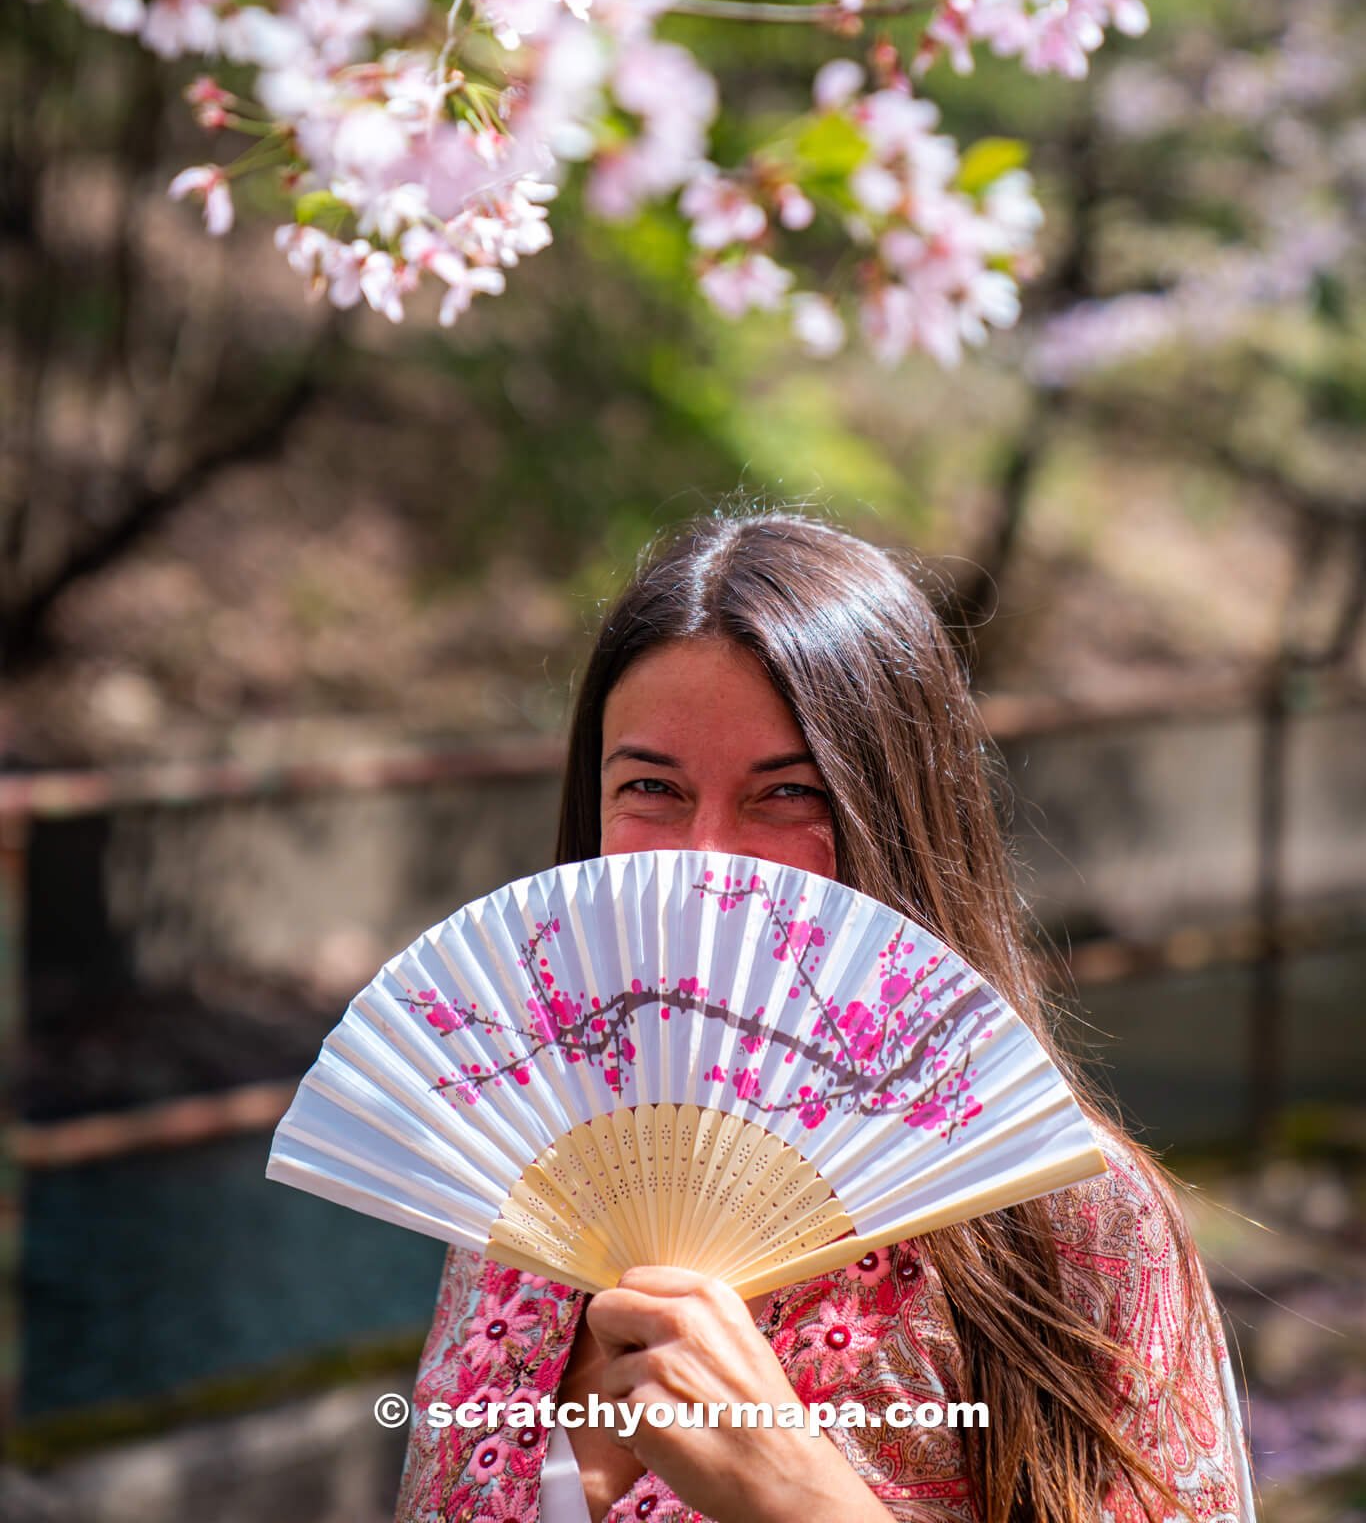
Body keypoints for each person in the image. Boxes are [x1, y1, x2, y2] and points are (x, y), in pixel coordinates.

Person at [393, 510, 1257, 1523]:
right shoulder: (524, 1186)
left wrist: (802, 1500)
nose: (705, 860)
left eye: (786, 793)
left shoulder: (1068, 1218)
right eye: (650, 788)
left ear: (894, 818)